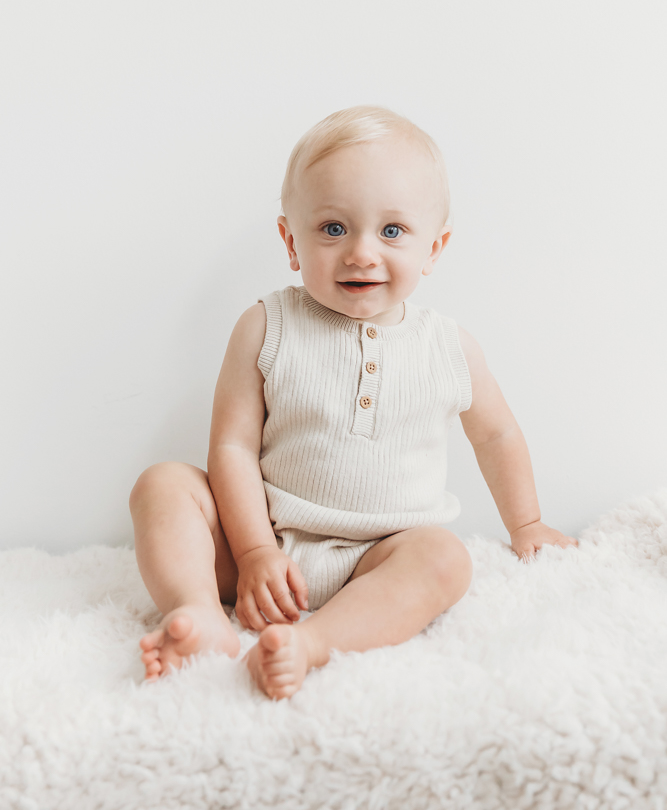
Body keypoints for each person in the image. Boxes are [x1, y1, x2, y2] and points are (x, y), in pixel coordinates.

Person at [129, 105, 578, 699]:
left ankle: (311, 645)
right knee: (163, 484)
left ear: (433, 250)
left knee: (445, 559)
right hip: (259, 546)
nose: (362, 253)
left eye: (392, 232)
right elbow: (232, 446)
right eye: (334, 228)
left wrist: (526, 524)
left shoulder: (448, 347)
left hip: (378, 559)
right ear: (291, 241)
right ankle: (200, 615)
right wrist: (257, 550)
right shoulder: (267, 326)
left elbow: (495, 435)